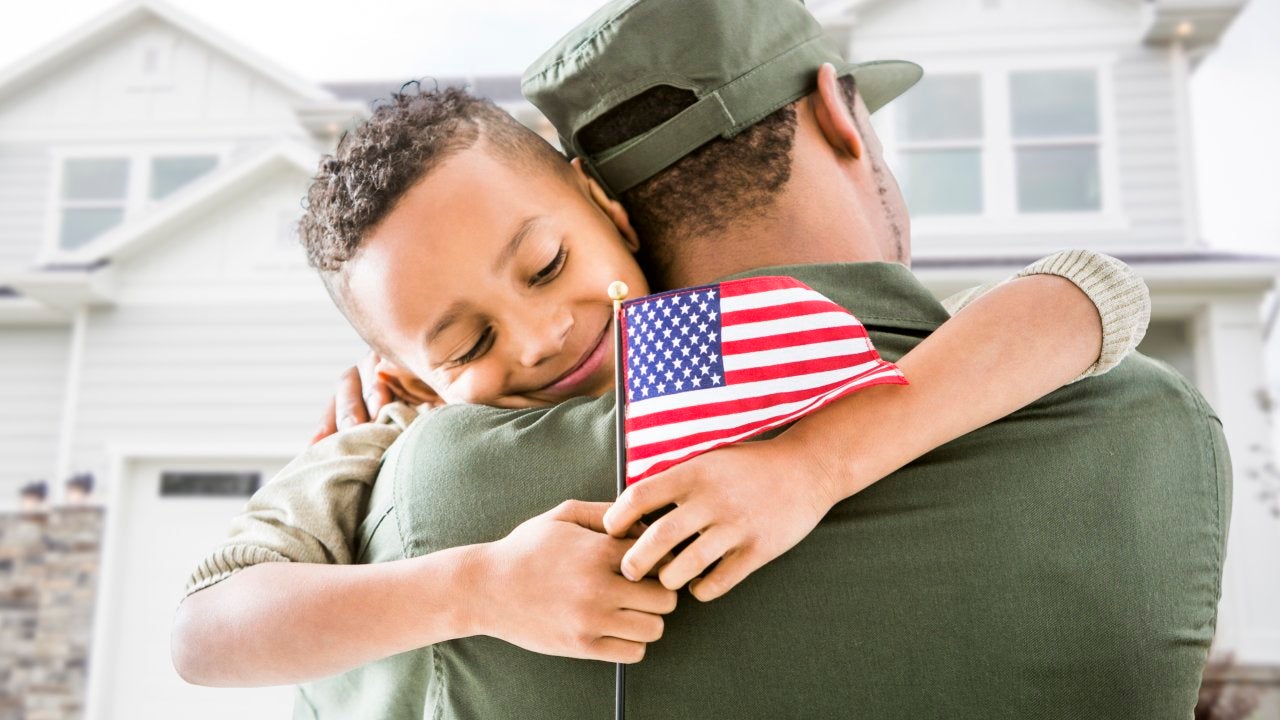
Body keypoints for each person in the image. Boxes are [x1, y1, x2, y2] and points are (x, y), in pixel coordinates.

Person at [184, 1, 1226, 717]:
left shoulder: (737, 349)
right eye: (467, 345)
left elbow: (1084, 292)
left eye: (545, 267)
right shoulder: (389, 431)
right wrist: (480, 589)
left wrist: (807, 465)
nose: (541, 337)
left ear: (606, 212)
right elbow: (204, 633)